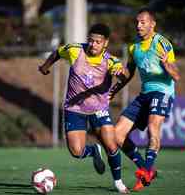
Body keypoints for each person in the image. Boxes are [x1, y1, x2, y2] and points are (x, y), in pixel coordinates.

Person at [38, 23, 129, 193]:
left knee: (111, 145)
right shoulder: (75, 49)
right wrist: (45, 66)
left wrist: (121, 74)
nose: (93, 45)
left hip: (98, 109)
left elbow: (125, 75)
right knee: (76, 152)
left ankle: (118, 182)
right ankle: (94, 151)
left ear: (105, 43)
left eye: (98, 42)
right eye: (91, 41)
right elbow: (57, 53)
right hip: (74, 109)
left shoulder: (110, 61)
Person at [109, 7, 180, 191]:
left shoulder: (161, 43)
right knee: (116, 135)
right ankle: (145, 169)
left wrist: (166, 65)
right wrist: (114, 89)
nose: (138, 25)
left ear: (152, 24)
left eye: (143, 22)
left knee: (153, 126)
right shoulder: (134, 47)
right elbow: (128, 73)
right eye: (137, 22)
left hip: (163, 92)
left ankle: (146, 169)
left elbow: (176, 75)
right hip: (144, 94)